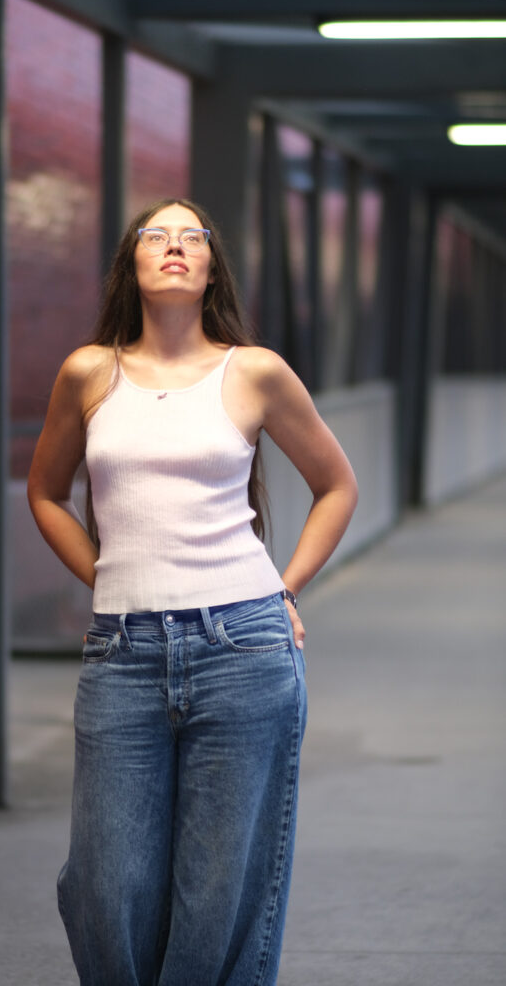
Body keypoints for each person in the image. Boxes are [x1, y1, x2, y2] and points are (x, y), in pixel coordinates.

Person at [27, 197, 358, 986]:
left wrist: (284, 589)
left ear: (210, 267)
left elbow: (336, 486)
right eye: (156, 235)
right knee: (106, 885)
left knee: (219, 889)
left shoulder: (254, 371)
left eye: (191, 237)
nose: (174, 245)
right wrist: (107, 576)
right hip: (123, 652)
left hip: (243, 647)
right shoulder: (88, 372)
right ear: (131, 264)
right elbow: (46, 493)